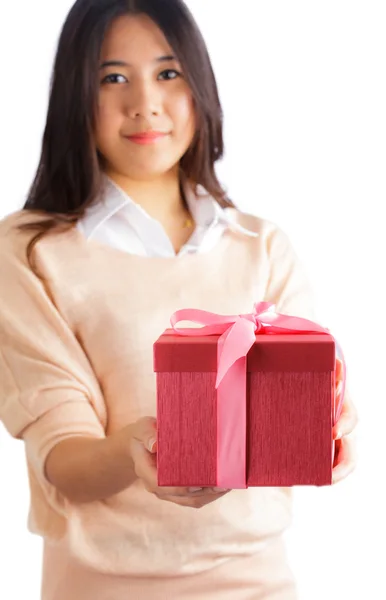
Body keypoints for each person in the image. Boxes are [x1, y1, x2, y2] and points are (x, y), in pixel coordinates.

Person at [0, 0, 358, 598]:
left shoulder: (260, 245)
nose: (144, 102)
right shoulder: (31, 251)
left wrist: (328, 432)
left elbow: (299, 407)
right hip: (106, 587)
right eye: (112, 77)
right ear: (73, 96)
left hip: (259, 582)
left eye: (168, 73)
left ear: (199, 86)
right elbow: (59, 455)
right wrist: (139, 450)